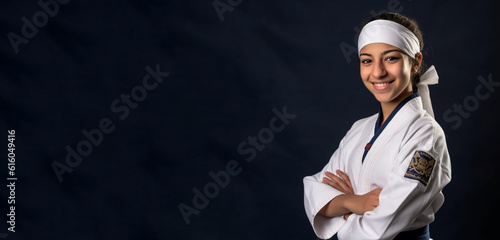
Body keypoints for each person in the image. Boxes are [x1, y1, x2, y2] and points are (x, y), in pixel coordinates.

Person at [303, 12, 452, 240]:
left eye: (391, 58)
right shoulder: (359, 129)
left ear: (415, 62)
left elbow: (384, 223)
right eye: (367, 60)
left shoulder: (425, 135)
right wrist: (356, 202)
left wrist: (342, 209)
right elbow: (314, 191)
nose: (377, 72)